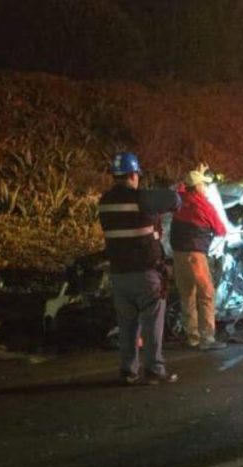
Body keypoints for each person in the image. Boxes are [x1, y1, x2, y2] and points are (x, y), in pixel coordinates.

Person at [98, 151, 181, 385]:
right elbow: (175, 200)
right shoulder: (141, 198)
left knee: (127, 326)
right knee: (152, 323)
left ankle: (128, 370)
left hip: (119, 274)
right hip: (146, 273)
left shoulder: (104, 202)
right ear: (134, 174)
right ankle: (154, 369)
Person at [171, 164, 228, 350]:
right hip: (196, 256)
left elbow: (179, 188)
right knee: (207, 294)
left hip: (177, 256)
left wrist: (198, 173)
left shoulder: (178, 200)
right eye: (203, 185)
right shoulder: (203, 205)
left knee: (187, 295)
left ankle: (192, 337)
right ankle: (208, 338)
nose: (205, 188)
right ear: (197, 187)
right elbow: (221, 230)